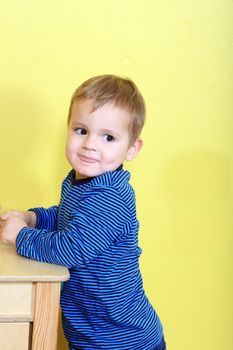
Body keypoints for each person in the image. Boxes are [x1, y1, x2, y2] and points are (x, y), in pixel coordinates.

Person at [0, 75, 166, 350]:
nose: (90, 144)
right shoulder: (82, 183)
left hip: (121, 338)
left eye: (108, 137)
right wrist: (34, 218)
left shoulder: (110, 197)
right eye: (81, 130)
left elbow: (72, 248)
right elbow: (69, 217)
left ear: (131, 148)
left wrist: (22, 236)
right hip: (93, 333)